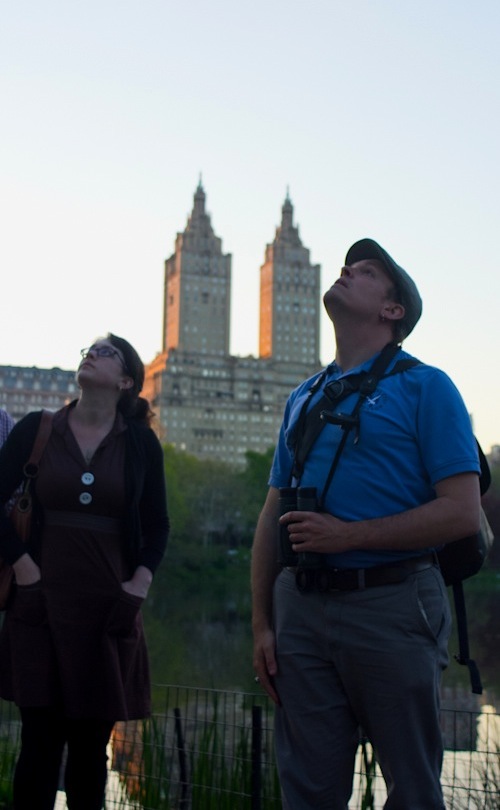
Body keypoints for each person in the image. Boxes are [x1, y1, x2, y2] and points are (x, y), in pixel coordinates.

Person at [251, 239, 481, 810]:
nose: (348, 269)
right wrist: (261, 624)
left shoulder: (428, 387)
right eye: (350, 265)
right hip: (299, 608)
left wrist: (347, 536)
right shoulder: (303, 396)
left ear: (393, 310)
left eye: (368, 270)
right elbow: (271, 513)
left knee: (413, 789)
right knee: (306, 791)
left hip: (395, 602)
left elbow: (460, 510)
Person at [0, 334, 169, 810]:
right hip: (39, 604)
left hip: (108, 610)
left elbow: (158, 525)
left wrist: (139, 584)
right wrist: (24, 566)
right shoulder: (39, 428)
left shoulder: (139, 443)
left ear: (125, 381)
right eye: (88, 351)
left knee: (91, 752)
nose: (91, 355)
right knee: (38, 747)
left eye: (106, 352)